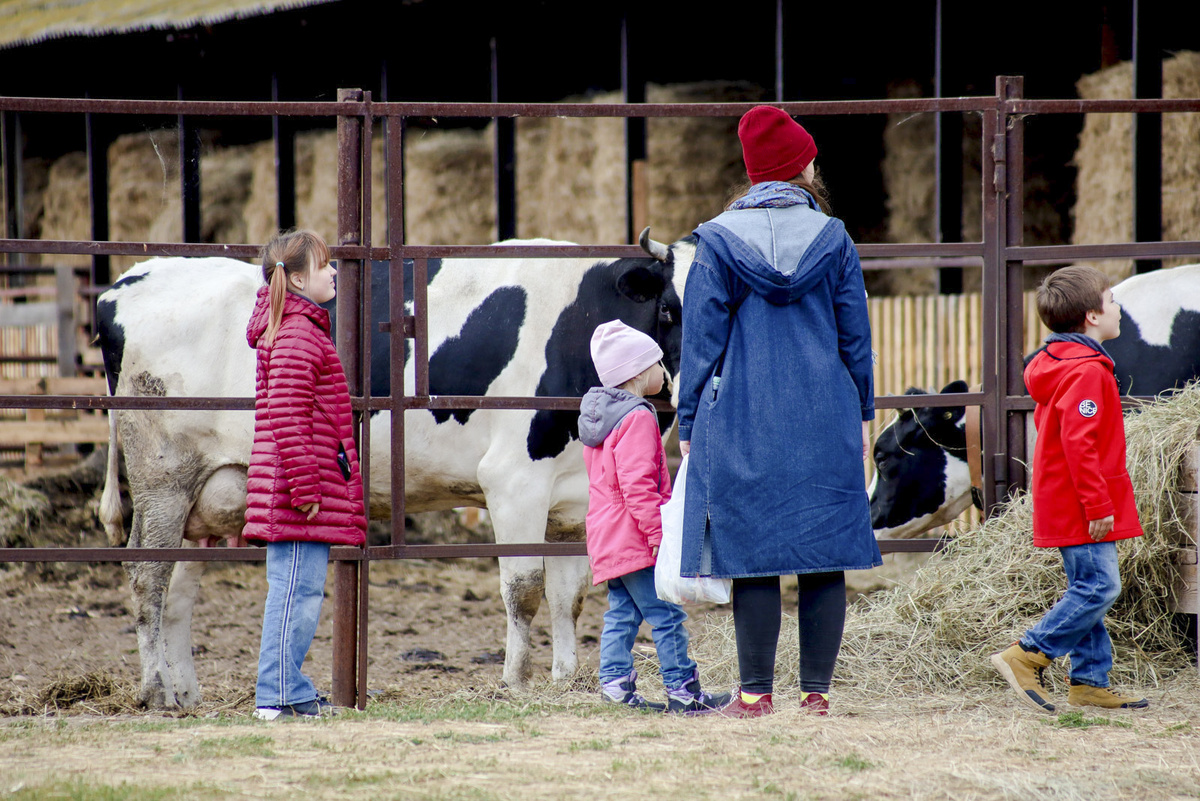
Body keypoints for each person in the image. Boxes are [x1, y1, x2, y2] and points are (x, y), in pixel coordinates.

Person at [676, 105, 880, 718]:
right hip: (825, 412)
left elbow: (701, 342)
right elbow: (855, 337)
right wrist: (864, 413)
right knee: (824, 553)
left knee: (752, 553)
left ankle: (754, 693)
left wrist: (688, 422)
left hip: (742, 416)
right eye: (811, 157)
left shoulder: (714, 242)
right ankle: (815, 693)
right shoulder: (836, 238)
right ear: (800, 168)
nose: (816, 165)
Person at [991, 265, 1148, 712]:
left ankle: (1089, 680)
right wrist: (1099, 503)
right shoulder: (1087, 373)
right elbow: (1081, 445)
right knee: (1100, 588)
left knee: (1087, 584)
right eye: (1113, 299)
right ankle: (1027, 654)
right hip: (1082, 501)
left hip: (1068, 497)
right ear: (1093, 316)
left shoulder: (1058, 363)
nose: (1120, 307)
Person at [243, 229, 367, 720]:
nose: (334, 272)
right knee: (295, 591)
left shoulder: (299, 328)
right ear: (295, 279)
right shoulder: (296, 334)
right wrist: (306, 486)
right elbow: (287, 415)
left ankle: (289, 692)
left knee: (301, 591)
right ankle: (275, 697)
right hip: (299, 490)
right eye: (323, 267)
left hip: (301, 484)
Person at [579, 320, 731, 714]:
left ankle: (614, 688)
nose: (664, 372)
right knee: (666, 614)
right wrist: (657, 535)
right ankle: (684, 691)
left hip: (606, 535)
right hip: (634, 535)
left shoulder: (601, 418)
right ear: (636, 372)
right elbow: (637, 486)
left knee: (623, 612)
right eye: (657, 364)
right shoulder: (638, 418)